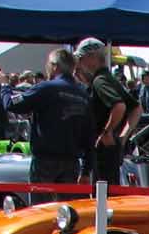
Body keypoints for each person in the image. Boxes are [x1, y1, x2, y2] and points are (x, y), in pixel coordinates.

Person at [10, 47, 90, 200]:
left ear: (54, 66)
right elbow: (89, 135)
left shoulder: (46, 88)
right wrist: (86, 169)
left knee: (41, 209)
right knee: (67, 210)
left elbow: (14, 105)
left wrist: (5, 89)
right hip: (71, 162)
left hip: (45, 160)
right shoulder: (83, 95)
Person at [74, 37, 137, 187]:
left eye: (81, 59)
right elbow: (136, 108)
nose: (79, 64)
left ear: (92, 58)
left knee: (103, 194)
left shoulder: (100, 81)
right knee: (110, 191)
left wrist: (107, 131)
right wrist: (122, 137)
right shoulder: (109, 79)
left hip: (103, 151)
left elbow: (119, 106)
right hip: (110, 149)